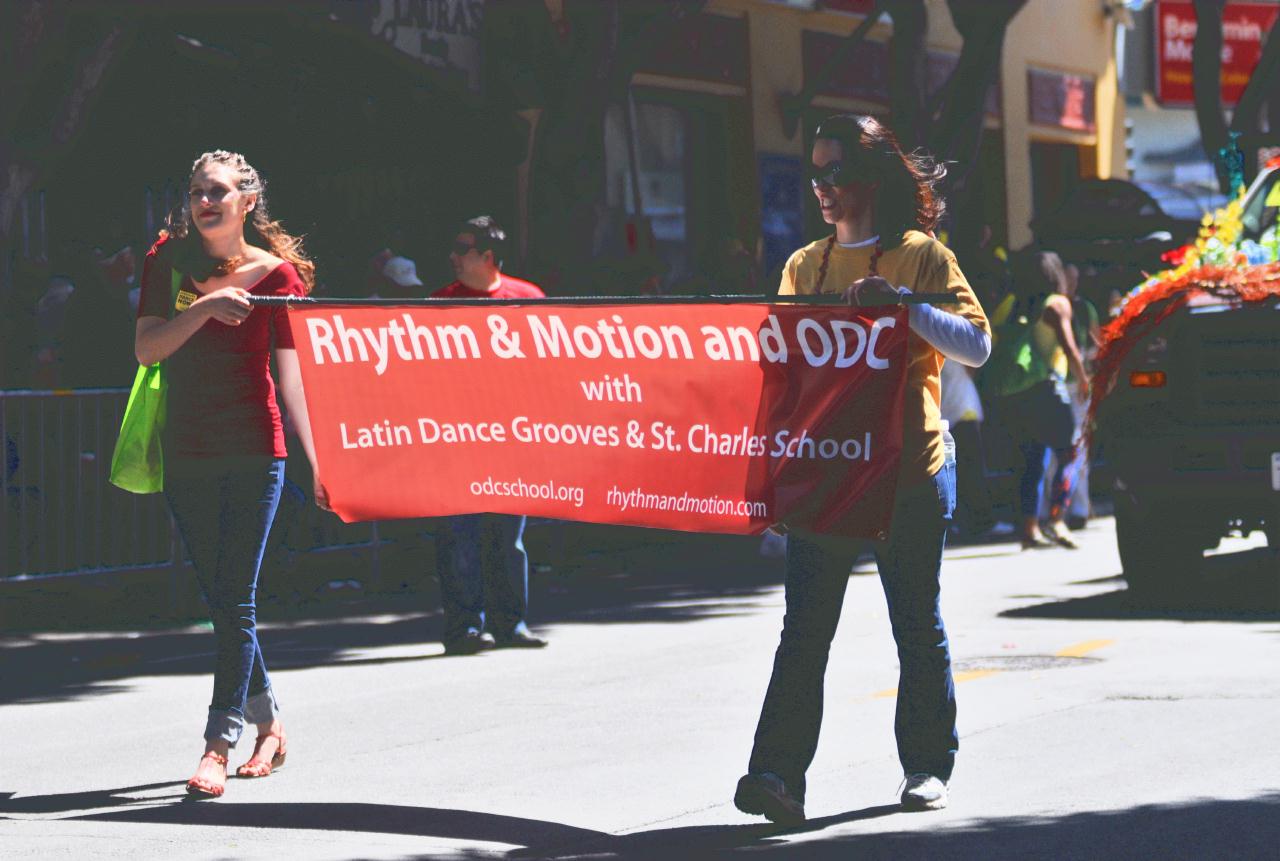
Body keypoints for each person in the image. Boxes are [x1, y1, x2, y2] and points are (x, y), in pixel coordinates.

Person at [733, 114, 991, 822]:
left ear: (869, 179)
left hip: (910, 472)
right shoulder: (803, 266)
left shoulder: (922, 258)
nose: (822, 188)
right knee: (804, 629)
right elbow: (783, 376)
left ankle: (927, 766)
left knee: (916, 623)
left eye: (835, 174)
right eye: (814, 175)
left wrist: (904, 309)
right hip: (827, 477)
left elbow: (977, 345)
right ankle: (776, 774)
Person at [133, 150, 328, 798]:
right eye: (195, 192)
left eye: (217, 191)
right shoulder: (167, 260)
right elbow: (147, 346)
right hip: (186, 449)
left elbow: (290, 377)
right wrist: (203, 311)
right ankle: (271, 723)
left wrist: (319, 460)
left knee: (235, 598)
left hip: (254, 451)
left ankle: (219, 741)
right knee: (221, 600)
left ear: (247, 201)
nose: (203, 202)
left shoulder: (278, 279)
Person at [431, 215, 548, 654]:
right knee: (457, 535)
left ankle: (510, 624)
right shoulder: (441, 301)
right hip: (456, 436)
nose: (454, 258)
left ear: (488, 257)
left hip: (511, 437)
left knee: (508, 537)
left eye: (463, 250)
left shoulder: (527, 297)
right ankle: (463, 627)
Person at [992, 250, 1089, 549]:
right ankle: (1058, 519)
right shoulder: (1056, 304)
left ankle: (1029, 529)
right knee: (1069, 455)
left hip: (1020, 393)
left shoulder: (1017, 304)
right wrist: (1084, 379)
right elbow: (1070, 348)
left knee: (1031, 461)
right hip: (1048, 389)